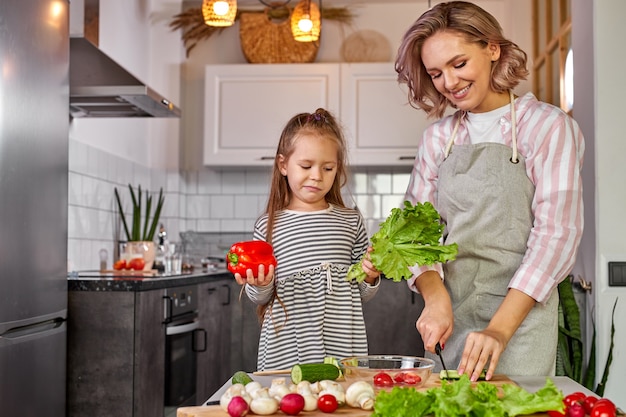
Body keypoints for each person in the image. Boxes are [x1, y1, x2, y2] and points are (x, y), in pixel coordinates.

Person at [395, 1, 584, 380]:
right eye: (435, 73)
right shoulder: (436, 140)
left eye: (458, 64)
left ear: (493, 49)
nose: (449, 83)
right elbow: (413, 235)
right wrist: (434, 298)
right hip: (449, 322)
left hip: (521, 323)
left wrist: (498, 330)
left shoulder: (547, 127)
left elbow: (555, 237)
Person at [233, 108, 381, 371]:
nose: (316, 176)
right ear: (283, 165)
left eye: (327, 168)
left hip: (342, 343)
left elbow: (362, 291)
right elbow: (260, 296)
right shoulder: (268, 225)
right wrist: (261, 282)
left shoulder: (350, 221)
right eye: (306, 166)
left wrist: (370, 275)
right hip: (287, 344)